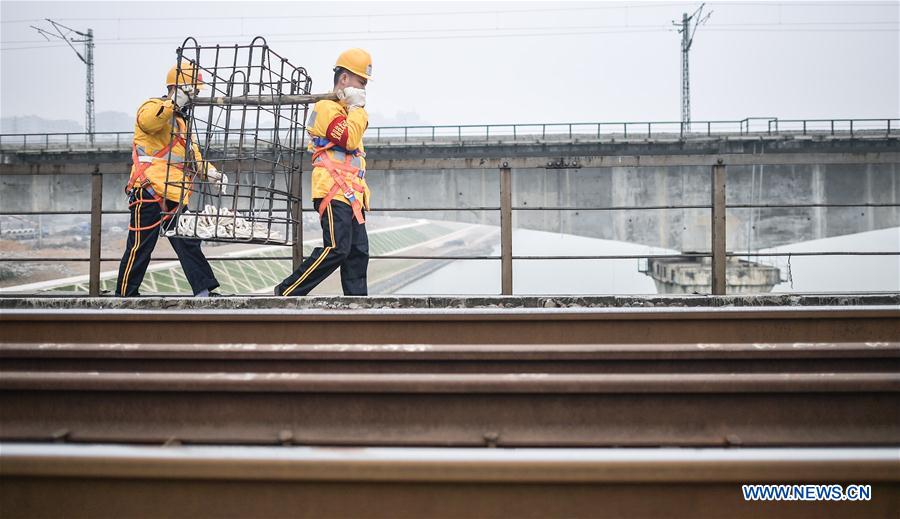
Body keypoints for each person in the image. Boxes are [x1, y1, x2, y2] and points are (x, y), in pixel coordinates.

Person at [116, 62, 224, 297]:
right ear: (178, 88)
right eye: (193, 91)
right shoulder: (153, 107)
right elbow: (149, 122)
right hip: (149, 190)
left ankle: (204, 292)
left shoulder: (183, 123)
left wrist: (212, 173)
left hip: (174, 192)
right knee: (140, 245)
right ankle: (124, 296)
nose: (195, 97)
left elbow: (194, 158)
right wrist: (173, 102)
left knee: (187, 241)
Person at [275, 48, 372, 297]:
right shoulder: (326, 108)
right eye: (361, 82)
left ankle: (358, 305)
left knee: (358, 252)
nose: (364, 88)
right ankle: (287, 291)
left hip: (352, 194)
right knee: (337, 248)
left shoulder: (349, 111)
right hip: (332, 190)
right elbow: (349, 139)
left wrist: (355, 109)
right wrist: (358, 108)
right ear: (344, 79)